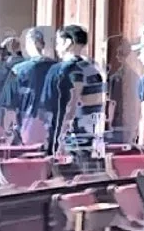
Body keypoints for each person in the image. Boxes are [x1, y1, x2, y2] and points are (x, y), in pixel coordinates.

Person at [44, 24, 105, 158]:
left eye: (59, 43)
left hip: (74, 135)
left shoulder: (70, 69)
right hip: (90, 133)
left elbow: (70, 104)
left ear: (68, 43)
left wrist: (60, 137)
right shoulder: (92, 69)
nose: (57, 47)